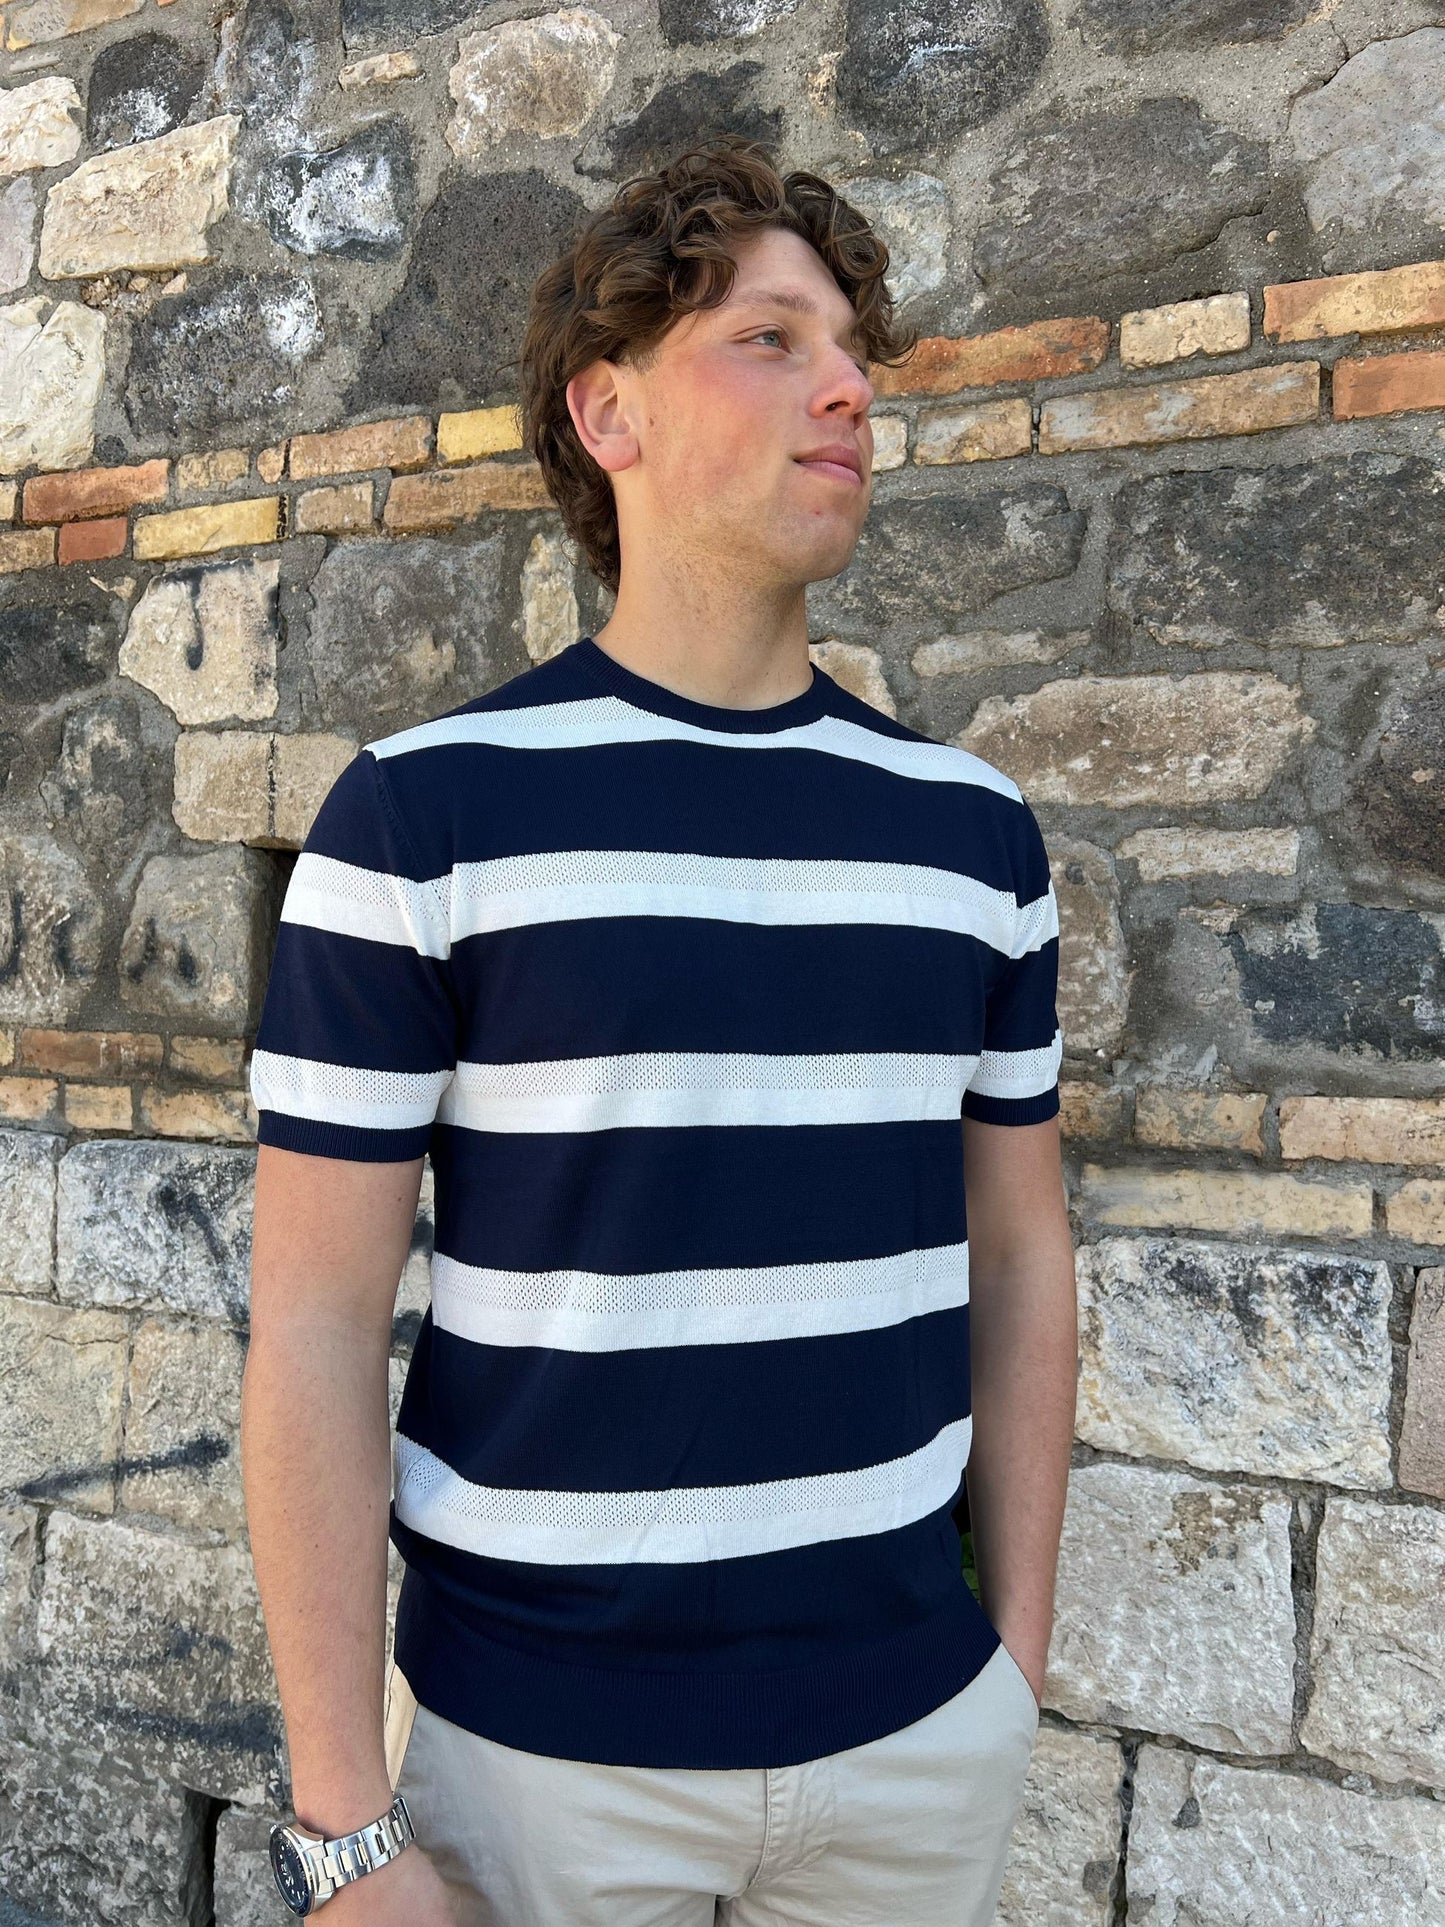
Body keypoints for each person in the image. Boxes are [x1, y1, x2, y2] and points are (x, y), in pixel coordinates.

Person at [242, 133, 1077, 1927]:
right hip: (536, 1766)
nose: (846, 387)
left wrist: (1009, 1664)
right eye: (768, 340)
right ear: (606, 414)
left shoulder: (973, 834)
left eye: (847, 349)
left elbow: (1020, 1257)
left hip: (911, 1749)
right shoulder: (422, 818)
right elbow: (311, 1323)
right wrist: (345, 1833)